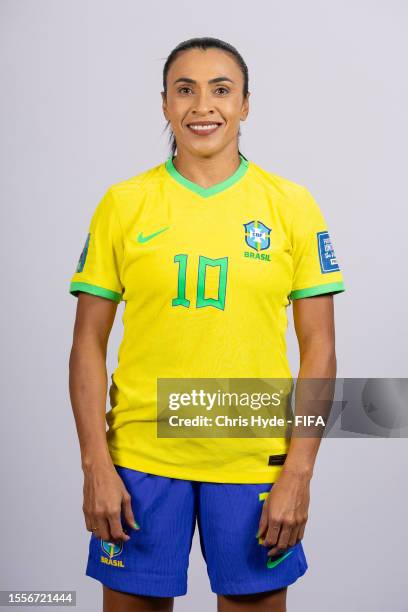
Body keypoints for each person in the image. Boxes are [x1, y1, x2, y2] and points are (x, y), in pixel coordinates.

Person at [68, 37, 345, 612]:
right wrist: (96, 462)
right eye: (185, 90)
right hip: (140, 461)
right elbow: (86, 344)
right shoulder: (124, 204)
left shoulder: (291, 206)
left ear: (246, 105)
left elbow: (320, 352)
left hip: (252, 461)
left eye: (222, 90)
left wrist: (300, 471)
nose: (203, 106)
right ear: (165, 104)